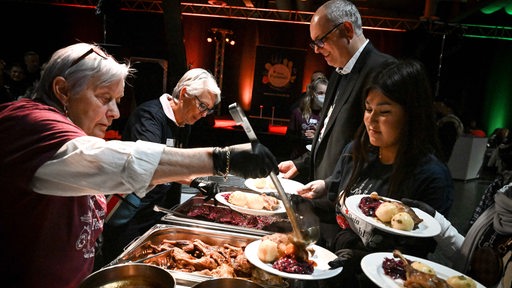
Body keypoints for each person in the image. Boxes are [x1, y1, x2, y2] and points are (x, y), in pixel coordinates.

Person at [0, 42, 278, 288]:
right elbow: (111, 162)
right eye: (104, 98)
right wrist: (220, 159)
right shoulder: (28, 123)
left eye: (117, 101)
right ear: (62, 90)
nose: (115, 113)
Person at [295, 60, 453, 287]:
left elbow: (412, 261)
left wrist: (358, 254)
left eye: (384, 112)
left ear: (412, 114)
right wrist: (302, 201)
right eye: (368, 109)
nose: (371, 120)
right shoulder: (356, 151)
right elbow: (338, 204)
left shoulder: (431, 178)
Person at [99, 68, 222, 266]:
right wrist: (196, 179)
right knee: (123, 266)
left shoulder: (184, 123)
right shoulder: (149, 116)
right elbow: (154, 166)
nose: (203, 114)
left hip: (156, 211)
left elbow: (178, 164)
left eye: (208, 109)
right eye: (202, 105)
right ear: (184, 94)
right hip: (131, 212)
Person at [278, 0, 396, 183]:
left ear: (347, 29)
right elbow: (328, 136)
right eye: (314, 43)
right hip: (324, 193)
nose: (316, 50)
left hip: (348, 195)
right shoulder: (337, 73)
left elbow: (378, 150)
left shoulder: (383, 70)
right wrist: (301, 164)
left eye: (320, 41)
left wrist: (330, 186)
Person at [286, 75, 328, 162]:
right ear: (312, 94)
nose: (324, 96)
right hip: (298, 159)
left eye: (326, 93)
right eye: (320, 93)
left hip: (319, 160)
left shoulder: (329, 114)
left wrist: (317, 136)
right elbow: (289, 137)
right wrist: (303, 138)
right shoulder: (298, 112)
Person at [433, 97, 464, 162]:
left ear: (449, 109)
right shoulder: (453, 122)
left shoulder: (449, 123)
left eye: (442, 106)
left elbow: (445, 142)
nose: (440, 108)